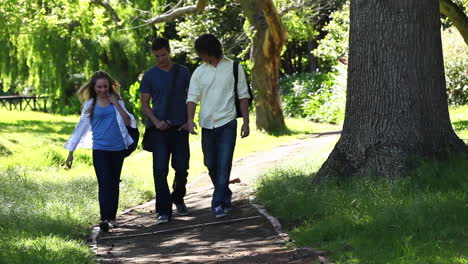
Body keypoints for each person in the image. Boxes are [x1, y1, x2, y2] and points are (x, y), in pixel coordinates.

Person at [187, 33, 250, 218]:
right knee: (210, 164)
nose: (199, 56)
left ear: (209, 51)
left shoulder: (234, 68)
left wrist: (246, 122)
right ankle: (225, 193)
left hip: (227, 122)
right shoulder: (199, 72)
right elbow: (192, 98)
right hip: (207, 124)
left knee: (224, 164)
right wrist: (190, 120)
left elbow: (243, 96)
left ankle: (217, 203)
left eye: (201, 52)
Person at [64, 70, 137, 232]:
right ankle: (104, 219)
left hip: (118, 148)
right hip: (100, 149)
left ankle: (112, 217)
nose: (102, 90)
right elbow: (80, 129)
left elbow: (128, 121)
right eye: (99, 87)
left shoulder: (117, 101)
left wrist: (116, 103)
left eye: (105, 86)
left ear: (110, 86)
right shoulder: (90, 105)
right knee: (104, 183)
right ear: (93, 87)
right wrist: (70, 152)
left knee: (113, 183)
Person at [140, 37, 191, 224]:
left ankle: (178, 196)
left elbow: (190, 98)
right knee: (160, 170)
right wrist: (156, 122)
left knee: (182, 167)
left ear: (169, 51)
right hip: (159, 130)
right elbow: (145, 104)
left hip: (180, 128)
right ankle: (163, 210)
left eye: (163, 54)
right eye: (156, 56)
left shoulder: (183, 72)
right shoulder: (150, 75)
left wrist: (189, 121)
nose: (160, 59)